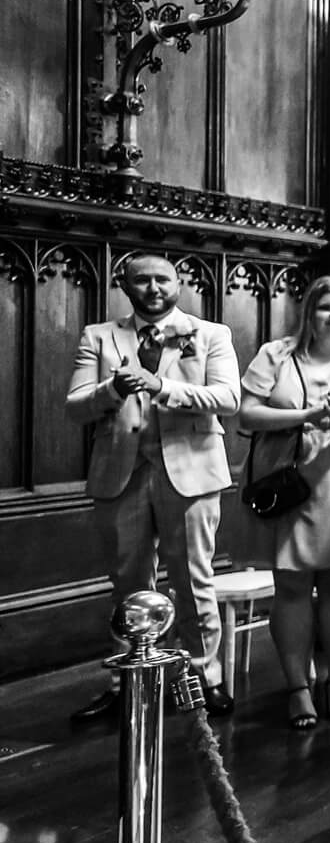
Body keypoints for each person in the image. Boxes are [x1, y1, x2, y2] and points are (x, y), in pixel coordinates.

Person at [65, 252, 238, 722]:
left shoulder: (211, 334)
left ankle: (204, 678)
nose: (154, 288)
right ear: (125, 285)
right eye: (142, 281)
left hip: (192, 470)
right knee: (128, 583)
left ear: (178, 282)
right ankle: (128, 682)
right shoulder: (99, 337)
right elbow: (76, 406)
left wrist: (160, 386)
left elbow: (227, 398)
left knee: (192, 578)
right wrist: (114, 390)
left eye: (163, 279)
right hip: (121, 472)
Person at [237, 277, 330, 729]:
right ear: (309, 313)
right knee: (293, 587)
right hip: (289, 477)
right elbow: (245, 414)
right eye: (326, 307)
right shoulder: (276, 354)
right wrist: (307, 416)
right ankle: (298, 686)